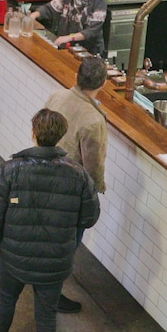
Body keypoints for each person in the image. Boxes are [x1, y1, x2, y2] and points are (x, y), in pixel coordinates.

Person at [0, 108, 100, 332]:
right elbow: (89, 217)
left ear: (33, 133)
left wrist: (0, 245)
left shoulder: (10, 170)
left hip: (14, 259)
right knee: (46, 317)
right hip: (55, 263)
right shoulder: (79, 176)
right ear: (60, 137)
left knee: (6, 300)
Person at [43, 55, 108, 313]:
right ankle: (51, 294)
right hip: (67, 191)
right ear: (102, 83)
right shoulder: (94, 120)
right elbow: (93, 166)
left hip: (43, 175)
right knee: (65, 246)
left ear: (76, 76)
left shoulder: (56, 96)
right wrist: (95, 192)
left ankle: (37, 279)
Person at [29, 0, 108, 55]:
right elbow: (49, 9)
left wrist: (69, 38)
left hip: (89, 51)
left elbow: (92, 31)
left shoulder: (100, 1)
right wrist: (33, 15)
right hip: (66, 47)